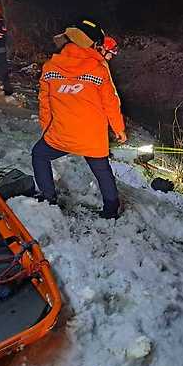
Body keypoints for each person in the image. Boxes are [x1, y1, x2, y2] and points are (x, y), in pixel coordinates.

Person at [32, 19, 126, 219]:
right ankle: (111, 209)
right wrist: (119, 130)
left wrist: (46, 128)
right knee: (102, 171)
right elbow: (111, 103)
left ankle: (48, 198)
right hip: (92, 138)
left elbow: (44, 104)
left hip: (61, 134)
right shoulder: (99, 70)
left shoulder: (50, 67)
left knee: (39, 155)